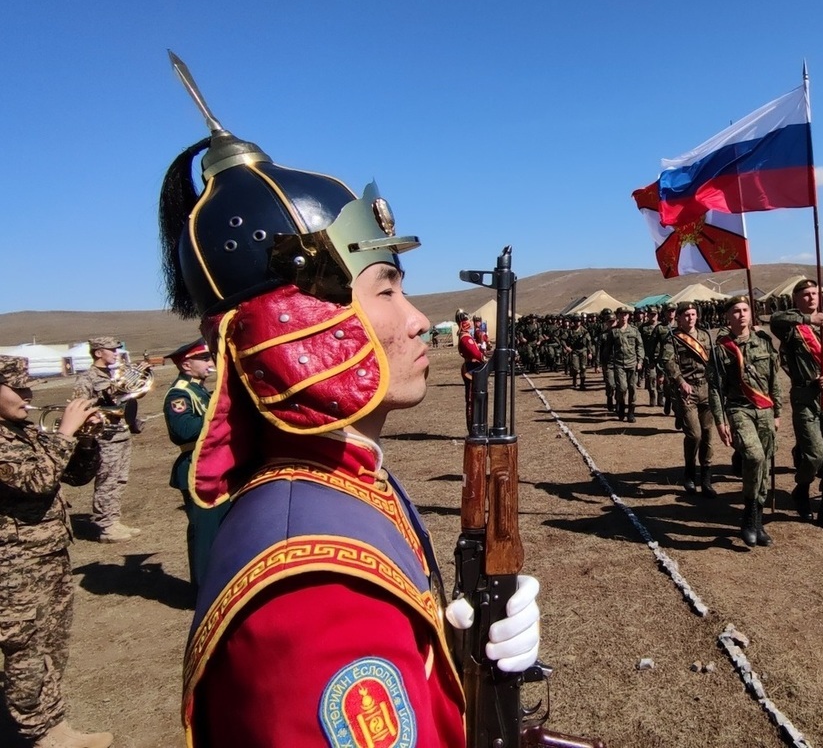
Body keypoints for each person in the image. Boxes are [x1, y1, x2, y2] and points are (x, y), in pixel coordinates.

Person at [158, 56, 539, 746]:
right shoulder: (317, 591)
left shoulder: (342, 481)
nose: (420, 319)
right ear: (303, 327)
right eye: (387, 288)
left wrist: (458, 654)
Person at [1, 355, 113, 748]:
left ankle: (54, 724)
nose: (26, 396)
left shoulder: (23, 429)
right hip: (12, 567)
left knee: (53, 643)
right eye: (17, 389)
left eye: (28, 387)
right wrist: (65, 432)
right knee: (25, 650)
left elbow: (75, 476)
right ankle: (38, 734)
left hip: (48, 555)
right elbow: (35, 481)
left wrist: (85, 438)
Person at [770, 279, 823, 533]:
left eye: (815, 294)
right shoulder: (791, 326)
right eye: (805, 295)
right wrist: (808, 321)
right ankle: (802, 488)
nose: (811, 298)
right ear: (796, 299)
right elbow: (775, 319)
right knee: (814, 454)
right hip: (804, 397)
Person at [708, 296, 784, 547]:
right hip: (739, 409)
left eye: (744, 310)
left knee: (764, 463)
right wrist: (721, 421)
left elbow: (775, 380)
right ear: (728, 317)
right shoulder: (721, 348)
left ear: (751, 314)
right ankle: (749, 516)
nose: (741, 315)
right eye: (735, 311)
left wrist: (777, 412)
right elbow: (716, 388)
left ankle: (755, 519)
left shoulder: (763, 341)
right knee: (754, 457)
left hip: (764, 409)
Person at [162, 338, 226, 590]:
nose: (210, 363)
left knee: (220, 530)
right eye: (205, 359)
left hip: (213, 464)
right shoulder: (179, 394)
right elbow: (182, 430)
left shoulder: (199, 389)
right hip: (195, 467)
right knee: (205, 533)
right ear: (187, 365)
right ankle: (203, 589)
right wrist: (220, 413)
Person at [70, 336, 140, 543]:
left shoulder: (114, 375)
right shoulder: (86, 379)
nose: (115, 353)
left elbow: (127, 399)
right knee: (107, 480)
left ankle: (114, 520)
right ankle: (106, 526)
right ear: (98, 353)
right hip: (105, 437)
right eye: (111, 350)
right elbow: (80, 407)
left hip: (121, 433)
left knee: (119, 479)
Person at [660, 301, 717, 497]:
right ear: (679, 318)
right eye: (686, 315)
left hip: (707, 389)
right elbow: (668, 362)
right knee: (695, 434)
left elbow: (715, 361)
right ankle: (689, 473)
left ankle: (706, 478)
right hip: (687, 391)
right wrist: (680, 381)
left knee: (708, 434)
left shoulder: (706, 336)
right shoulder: (673, 339)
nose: (690, 318)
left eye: (693, 314)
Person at [609, 307, 644, 422]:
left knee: (632, 388)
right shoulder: (613, 332)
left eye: (625, 314)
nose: (624, 317)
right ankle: (621, 405)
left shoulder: (634, 330)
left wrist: (640, 361)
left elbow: (639, 346)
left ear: (628, 316)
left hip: (632, 363)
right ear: (617, 316)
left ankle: (631, 412)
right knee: (622, 388)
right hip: (619, 364)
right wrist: (605, 364)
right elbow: (608, 349)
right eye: (621, 314)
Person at [457, 310, 487, 430]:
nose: (469, 322)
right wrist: (484, 357)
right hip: (471, 369)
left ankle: (477, 425)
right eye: (467, 320)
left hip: (475, 367)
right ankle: (473, 427)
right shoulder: (465, 338)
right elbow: (475, 353)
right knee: (472, 400)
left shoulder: (467, 336)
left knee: (477, 398)